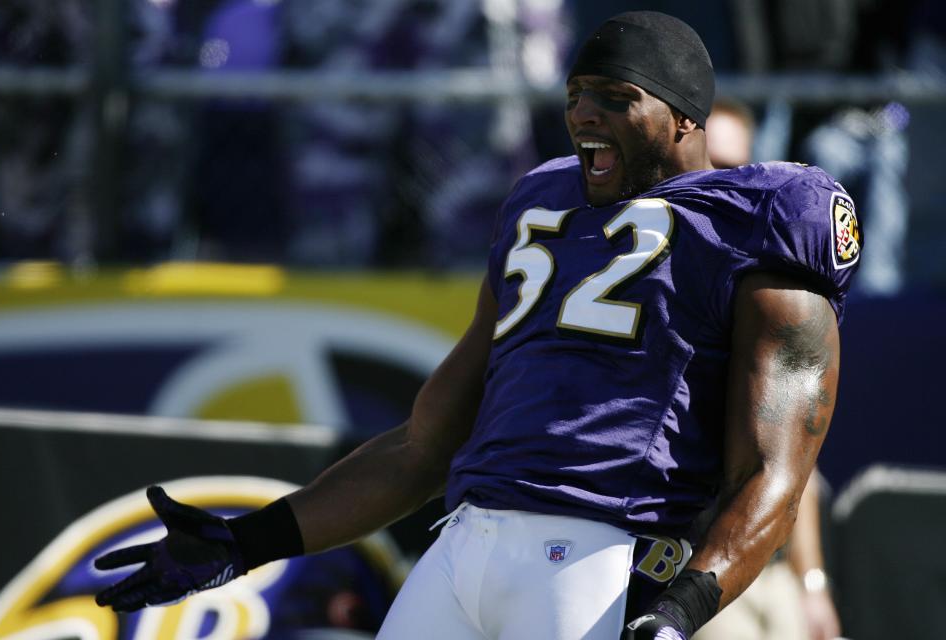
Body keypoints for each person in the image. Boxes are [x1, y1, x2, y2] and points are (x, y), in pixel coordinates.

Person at [94, 12, 861, 639]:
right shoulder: (541, 205)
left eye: (616, 97)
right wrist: (245, 542)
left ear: (685, 116)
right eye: (575, 93)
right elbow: (424, 444)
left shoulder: (763, 219)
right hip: (464, 546)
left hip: (596, 558)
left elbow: (773, 474)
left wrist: (680, 609)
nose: (583, 114)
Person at [692, 97, 843, 640]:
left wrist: (813, 585)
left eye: (738, 168)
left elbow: (793, 470)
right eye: (714, 164)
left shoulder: (772, 282)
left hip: (773, 575)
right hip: (693, 573)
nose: (722, 183)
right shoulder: (664, 284)